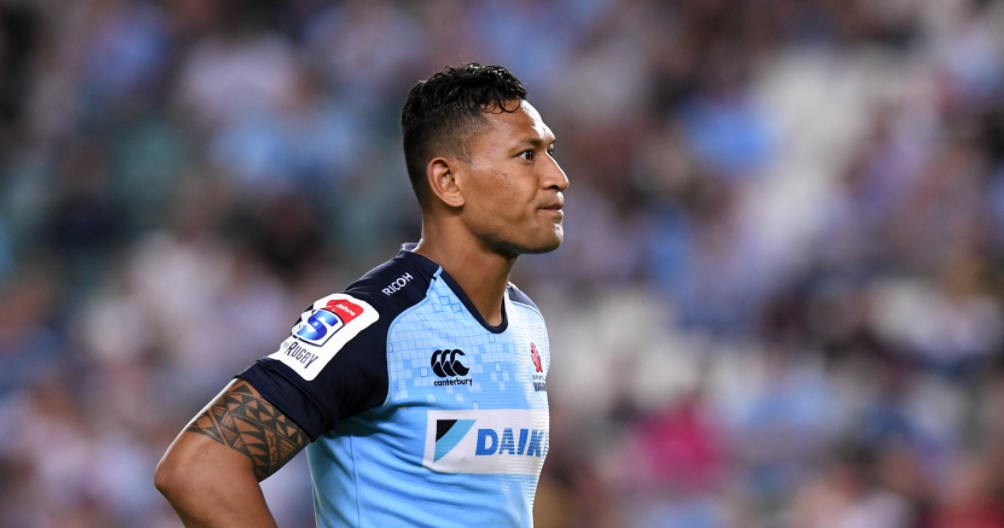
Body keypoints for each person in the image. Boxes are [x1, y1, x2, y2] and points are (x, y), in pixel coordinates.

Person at [155, 63, 569, 527]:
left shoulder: (527, 322)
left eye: (550, 152)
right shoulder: (377, 322)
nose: (557, 177)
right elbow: (198, 468)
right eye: (527, 155)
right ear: (448, 181)